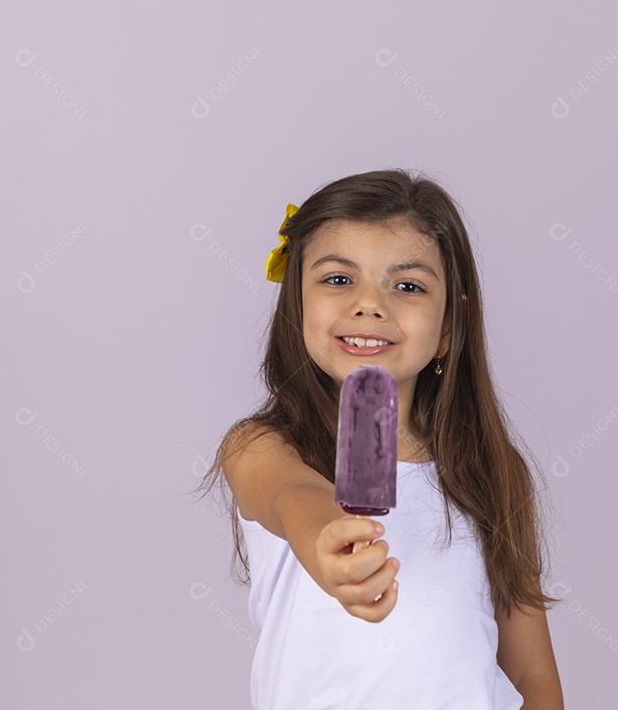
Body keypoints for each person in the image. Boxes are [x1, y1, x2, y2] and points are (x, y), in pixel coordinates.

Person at [197, 169, 563, 709]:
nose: (370, 304)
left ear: (447, 329)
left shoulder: (493, 471)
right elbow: (290, 496)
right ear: (297, 304)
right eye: (339, 279)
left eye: (408, 285)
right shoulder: (261, 446)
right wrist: (330, 546)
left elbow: (532, 677)